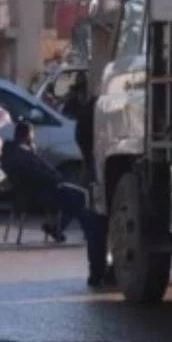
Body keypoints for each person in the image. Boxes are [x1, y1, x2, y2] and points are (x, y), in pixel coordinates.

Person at [0, 120, 85, 242]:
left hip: (21, 194)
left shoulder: (10, 151)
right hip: (36, 195)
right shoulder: (24, 154)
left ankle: (57, 226)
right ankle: (59, 227)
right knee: (78, 197)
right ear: (28, 135)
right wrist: (57, 180)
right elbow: (42, 174)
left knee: (74, 194)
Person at [73, 91, 112, 288]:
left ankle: (97, 272)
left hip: (93, 173)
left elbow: (80, 137)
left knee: (95, 229)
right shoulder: (107, 112)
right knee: (99, 226)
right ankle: (105, 271)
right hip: (99, 173)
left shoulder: (92, 111)